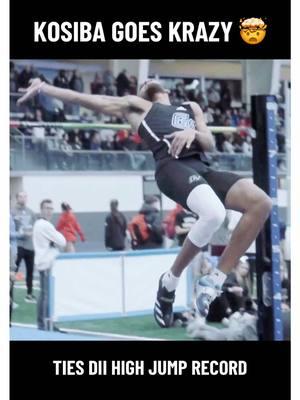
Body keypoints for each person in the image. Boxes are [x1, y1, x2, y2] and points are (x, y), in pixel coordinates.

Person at [17, 78, 272, 328]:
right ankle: (170, 282)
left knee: (261, 203)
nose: (149, 80)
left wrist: (192, 132)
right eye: (143, 83)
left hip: (202, 169)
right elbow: (90, 100)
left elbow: (210, 143)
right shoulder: (137, 106)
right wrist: (44, 87)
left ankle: (214, 281)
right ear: (141, 94)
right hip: (171, 167)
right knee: (214, 214)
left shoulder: (191, 107)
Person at [33, 199, 66, 330]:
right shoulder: (44, 225)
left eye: (51, 208)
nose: (49, 211)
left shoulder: (40, 224)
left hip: (43, 262)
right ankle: (44, 323)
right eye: (46, 208)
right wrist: (55, 242)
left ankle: (45, 322)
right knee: (46, 295)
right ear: (41, 210)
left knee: (45, 294)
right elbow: (62, 241)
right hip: (46, 263)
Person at [11, 191, 37, 303]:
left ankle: (29, 294)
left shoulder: (31, 212)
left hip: (30, 246)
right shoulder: (11, 212)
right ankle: (9, 297)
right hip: (18, 246)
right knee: (13, 271)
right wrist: (20, 233)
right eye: (20, 196)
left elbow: (35, 227)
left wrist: (32, 233)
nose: (23, 198)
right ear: (17, 198)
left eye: (25, 196)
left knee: (30, 271)